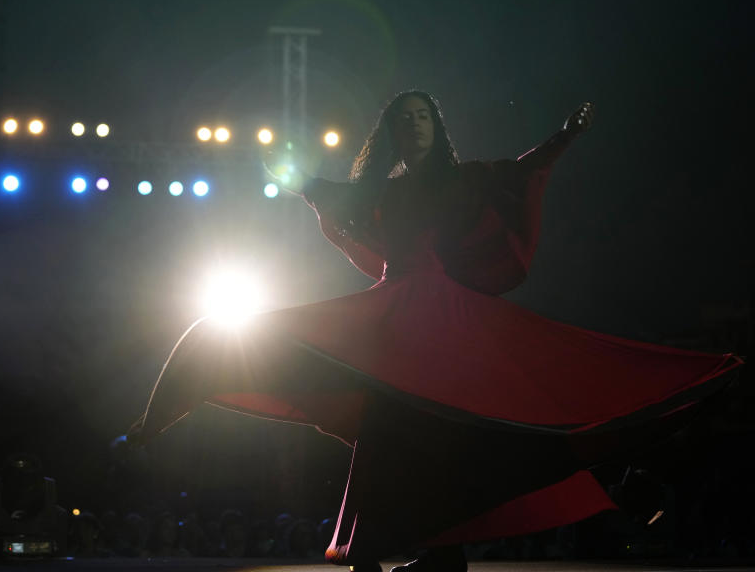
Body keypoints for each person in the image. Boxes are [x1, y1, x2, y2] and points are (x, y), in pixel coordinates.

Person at [134, 91, 742, 572]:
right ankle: (159, 424)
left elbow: (520, 172)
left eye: (423, 115)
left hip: (446, 316)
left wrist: (567, 134)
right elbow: (327, 191)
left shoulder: (466, 178)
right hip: (395, 311)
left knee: (460, 422)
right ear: (393, 132)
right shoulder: (382, 191)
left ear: (436, 126)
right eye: (405, 117)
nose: (416, 124)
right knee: (372, 410)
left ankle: (440, 549)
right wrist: (287, 173)